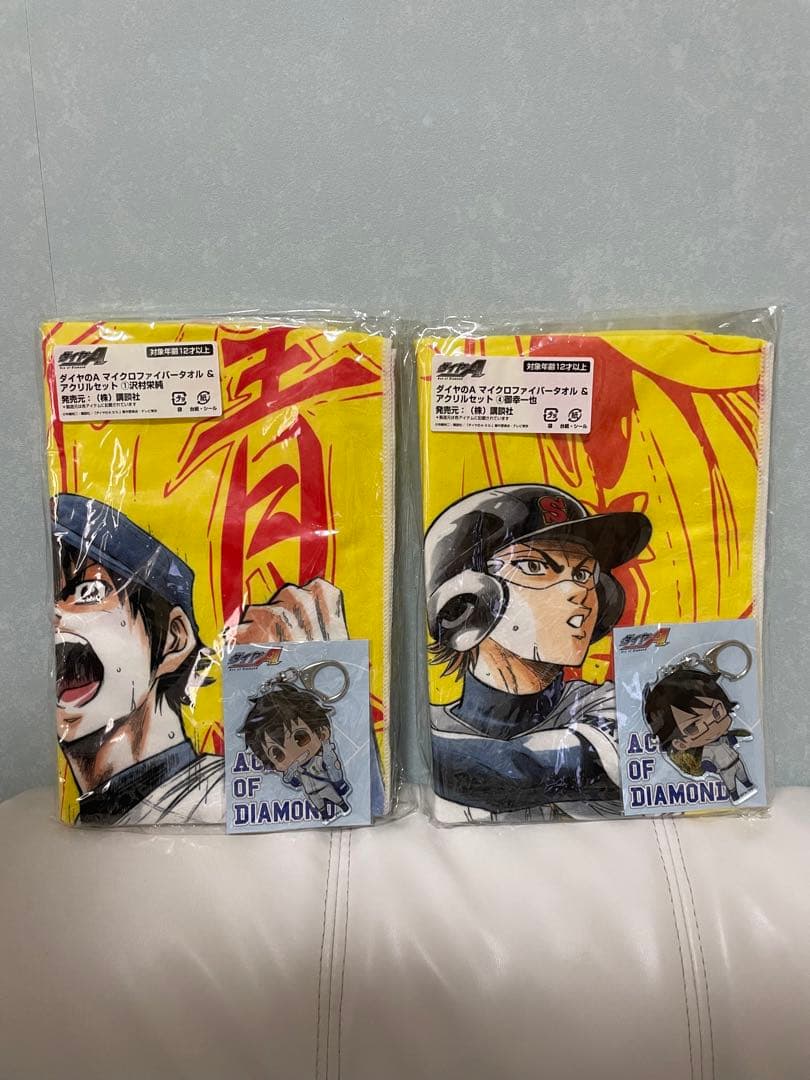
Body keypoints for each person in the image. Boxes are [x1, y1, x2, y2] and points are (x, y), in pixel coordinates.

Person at [52, 493, 349, 825]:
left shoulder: (229, 798)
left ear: (174, 638)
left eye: (89, 592)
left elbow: (344, 811)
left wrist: (327, 681)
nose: (53, 615)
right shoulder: (89, 824)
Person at [424, 483, 652, 821]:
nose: (579, 591)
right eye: (534, 566)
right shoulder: (431, 723)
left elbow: (519, 772)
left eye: (584, 573)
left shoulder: (613, 706)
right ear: (467, 602)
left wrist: (406, 745)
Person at [643, 668, 757, 804]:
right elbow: (705, 763)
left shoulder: (723, 738)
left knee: (743, 775)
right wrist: (712, 769)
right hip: (724, 769)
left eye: (717, 712)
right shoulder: (705, 751)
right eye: (694, 727)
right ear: (680, 743)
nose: (713, 725)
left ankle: (749, 786)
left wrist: (736, 738)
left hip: (736, 761)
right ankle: (735, 796)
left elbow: (732, 739)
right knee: (730, 784)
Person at [239, 682, 351, 819]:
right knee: (319, 805)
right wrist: (290, 772)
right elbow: (292, 781)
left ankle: (343, 807)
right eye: (278, 755)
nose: (292, 753)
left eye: (300, 738)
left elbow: (331, 764)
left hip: (326, 786)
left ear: (322, 732)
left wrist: (327, 748)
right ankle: (325, 815)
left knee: (336, 799)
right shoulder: (296, 770)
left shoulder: (317, 760)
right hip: (311, 793)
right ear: (272, 765)